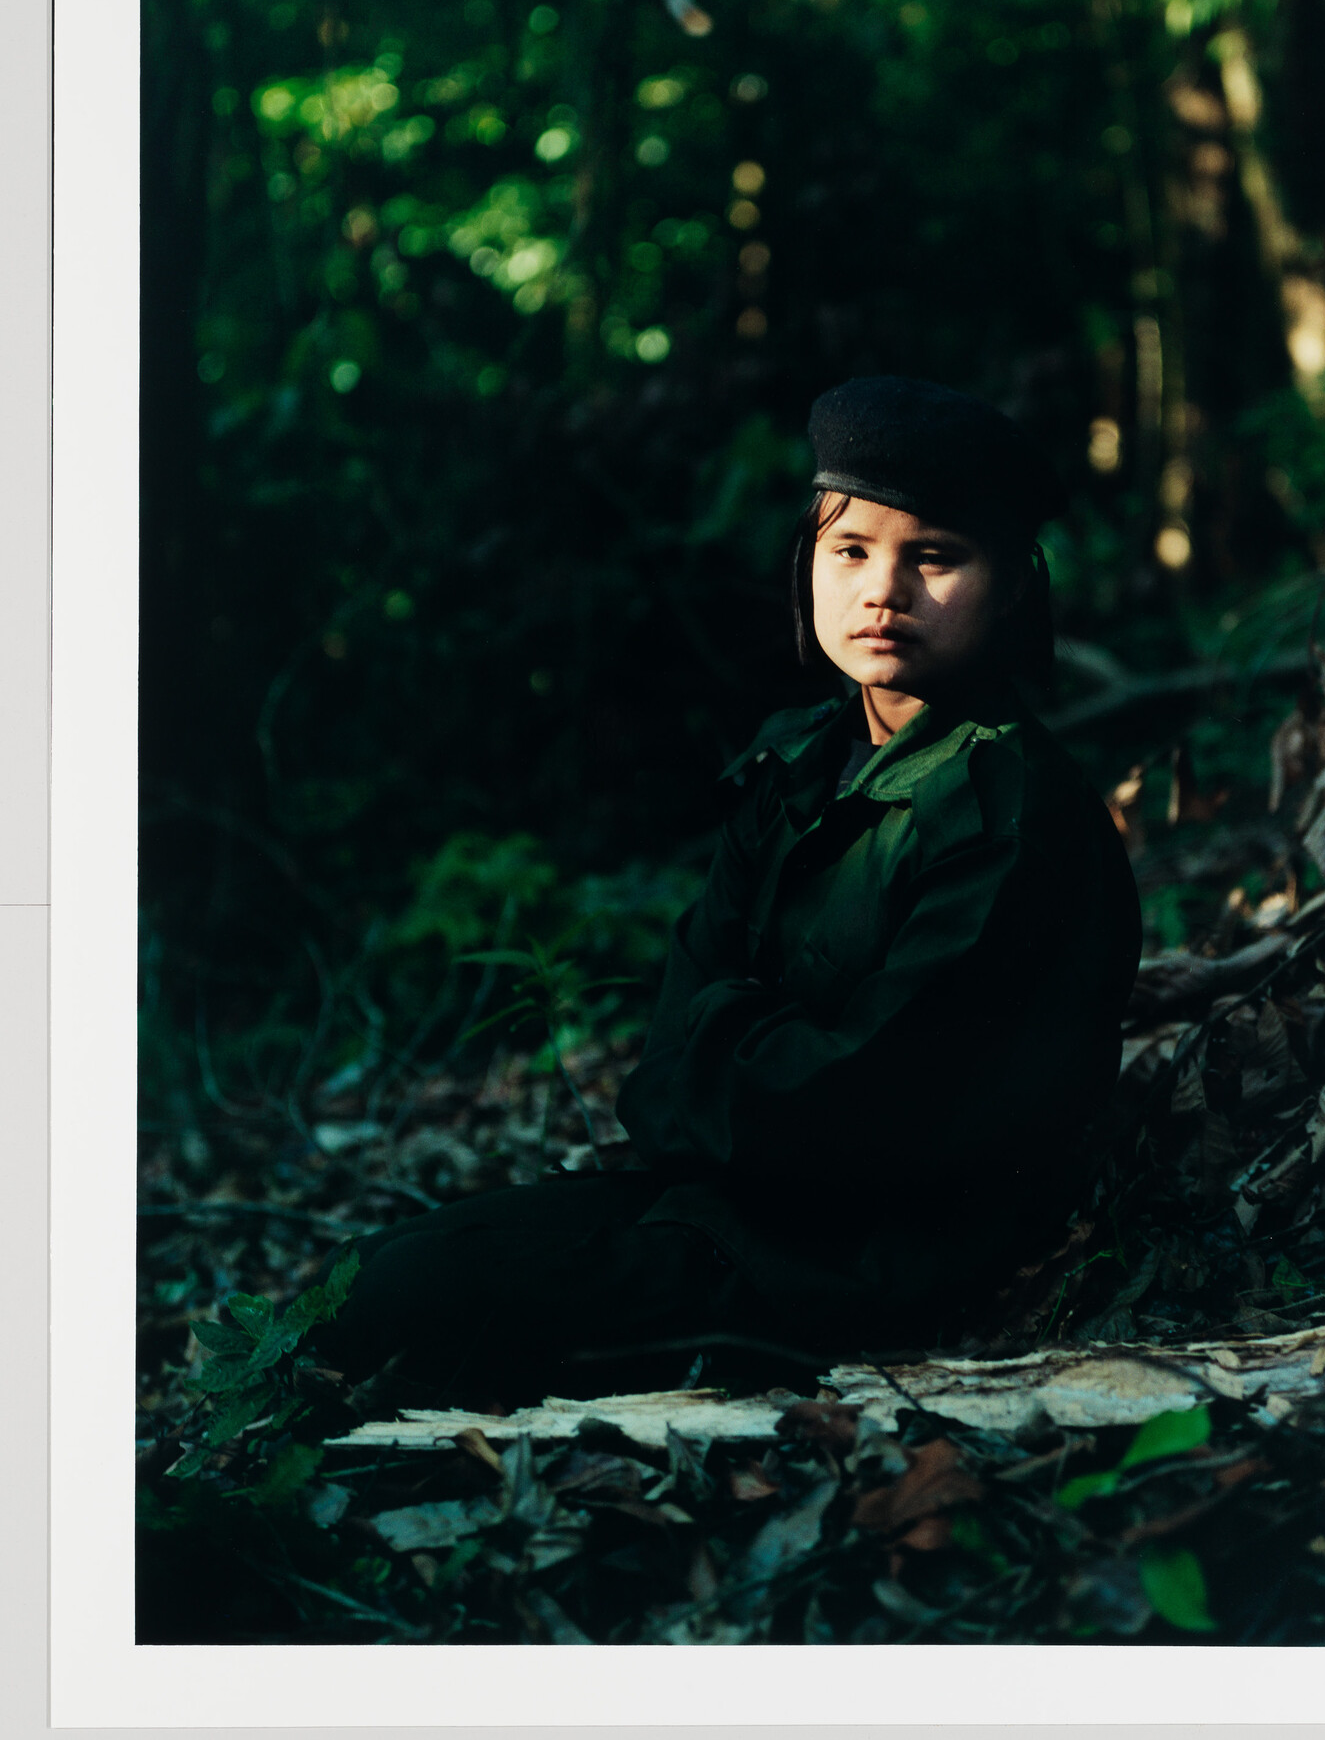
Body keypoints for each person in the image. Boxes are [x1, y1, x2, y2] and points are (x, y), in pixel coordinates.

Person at [313, 376, 1143, 1409]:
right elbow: (670, 1041)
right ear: (807, 561)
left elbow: (869, 1105)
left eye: (934, 556)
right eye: (850, 550)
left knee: (412, 1310)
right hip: (723, 1199)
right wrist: (732, 1063)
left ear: (1013, 583)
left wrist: (724, 1051)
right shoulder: (798, 763)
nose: (883, 591)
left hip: (865, 1261)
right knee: (355, 1280)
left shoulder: (1010, 813)